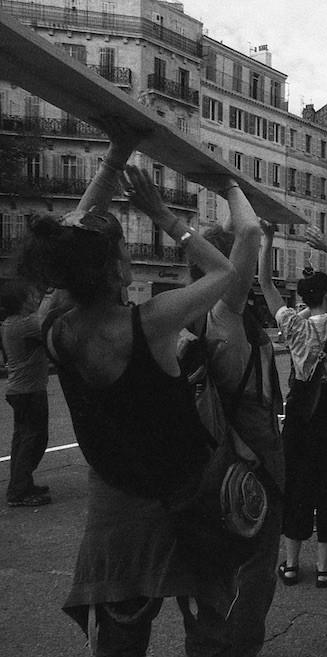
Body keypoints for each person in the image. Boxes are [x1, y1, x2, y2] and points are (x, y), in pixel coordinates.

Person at [20, 118, 240, 651]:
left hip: (115, 506)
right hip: (181, 500)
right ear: (116, 269)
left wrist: (116, 156)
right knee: (209, 635)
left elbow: (70, 238)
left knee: (118, 643)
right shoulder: (148, 322)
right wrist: (164, 216)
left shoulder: (55, 327)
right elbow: (224, 273)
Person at [177, 178, 287, 654]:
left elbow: (233, 240)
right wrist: (228, 184)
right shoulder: (227, 318)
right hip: (250, 462)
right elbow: (240, 239)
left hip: (200, 465)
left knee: (207, 585)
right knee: (254, 579)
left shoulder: (178, 319)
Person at [259, 224, 327, 589]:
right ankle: (324, 567)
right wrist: (326, 246)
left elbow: (265, 284)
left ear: (304, 299)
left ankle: (291, 565)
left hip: (301, 409)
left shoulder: (292, 324)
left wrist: (269, 241)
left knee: (297, 483)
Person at [1, 280, 57, 507]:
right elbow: (46, 317)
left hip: (21, 390)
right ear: (20, 301)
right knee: (34, 439)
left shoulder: (11, 323)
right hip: (29, 391)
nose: (33, 299)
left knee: (22, 439)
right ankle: (19, 490)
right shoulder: (25, 324)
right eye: (29, 296)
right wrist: (53, 290)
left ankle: (21, 482)